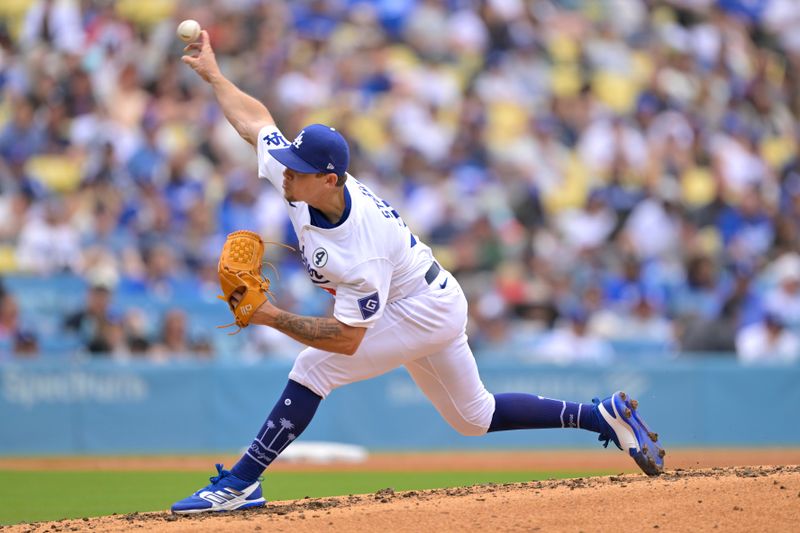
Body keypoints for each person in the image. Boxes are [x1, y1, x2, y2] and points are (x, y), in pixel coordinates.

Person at [171, 31, 665, 514]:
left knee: (312, 368)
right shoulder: (305, 183)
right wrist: (214, 76)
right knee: (475, 417)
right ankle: (600, 416)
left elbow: (346, 340)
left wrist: (270, 316)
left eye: (297, 168)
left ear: (329, 179)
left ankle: (240, 482)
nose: (285, 171)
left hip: (421, 308)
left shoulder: (361, 250)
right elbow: (256, 122)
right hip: (431, 296)